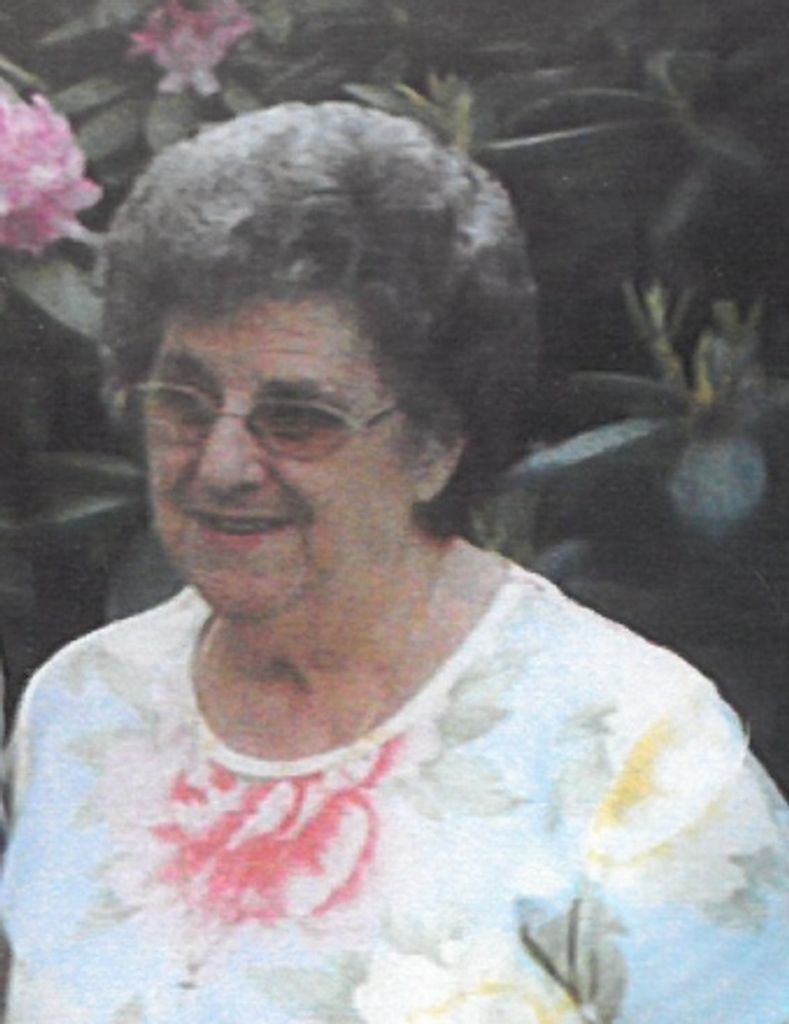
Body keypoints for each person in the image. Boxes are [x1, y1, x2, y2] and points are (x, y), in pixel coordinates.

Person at [1, 101, 787, 1023]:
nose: (219, 464)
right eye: (182, 402)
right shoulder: (83, 706)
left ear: (436, 445)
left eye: (297, 418)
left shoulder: (631, 749)